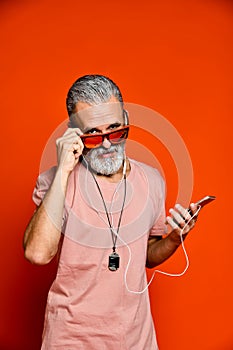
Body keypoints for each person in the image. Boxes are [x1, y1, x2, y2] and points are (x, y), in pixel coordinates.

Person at [24, 75, 198, 349]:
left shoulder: (152, 180)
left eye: (115, 130)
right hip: (71, 340)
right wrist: (64, 172)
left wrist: (175, 239)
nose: (106, 144)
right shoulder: (55, 181)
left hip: (135, 340)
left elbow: (148, 255)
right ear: (74, 134)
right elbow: (36, 254)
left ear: (127, 119)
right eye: (93, 134)